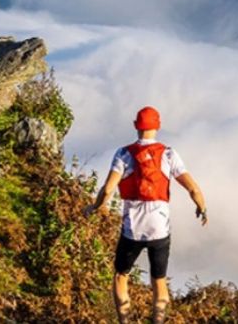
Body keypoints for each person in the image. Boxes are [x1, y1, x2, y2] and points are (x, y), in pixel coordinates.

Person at [85, 105, 207, 323]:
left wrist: (94, 207)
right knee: (159, 281)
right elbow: (193, 189)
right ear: (158, 126)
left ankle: (125, 320)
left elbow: (108, 189)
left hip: (132, 228)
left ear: (135, 126)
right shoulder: (169, 154)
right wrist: (202, 208)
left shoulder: (124, 154)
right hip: (160, 228)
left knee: (121, 276)